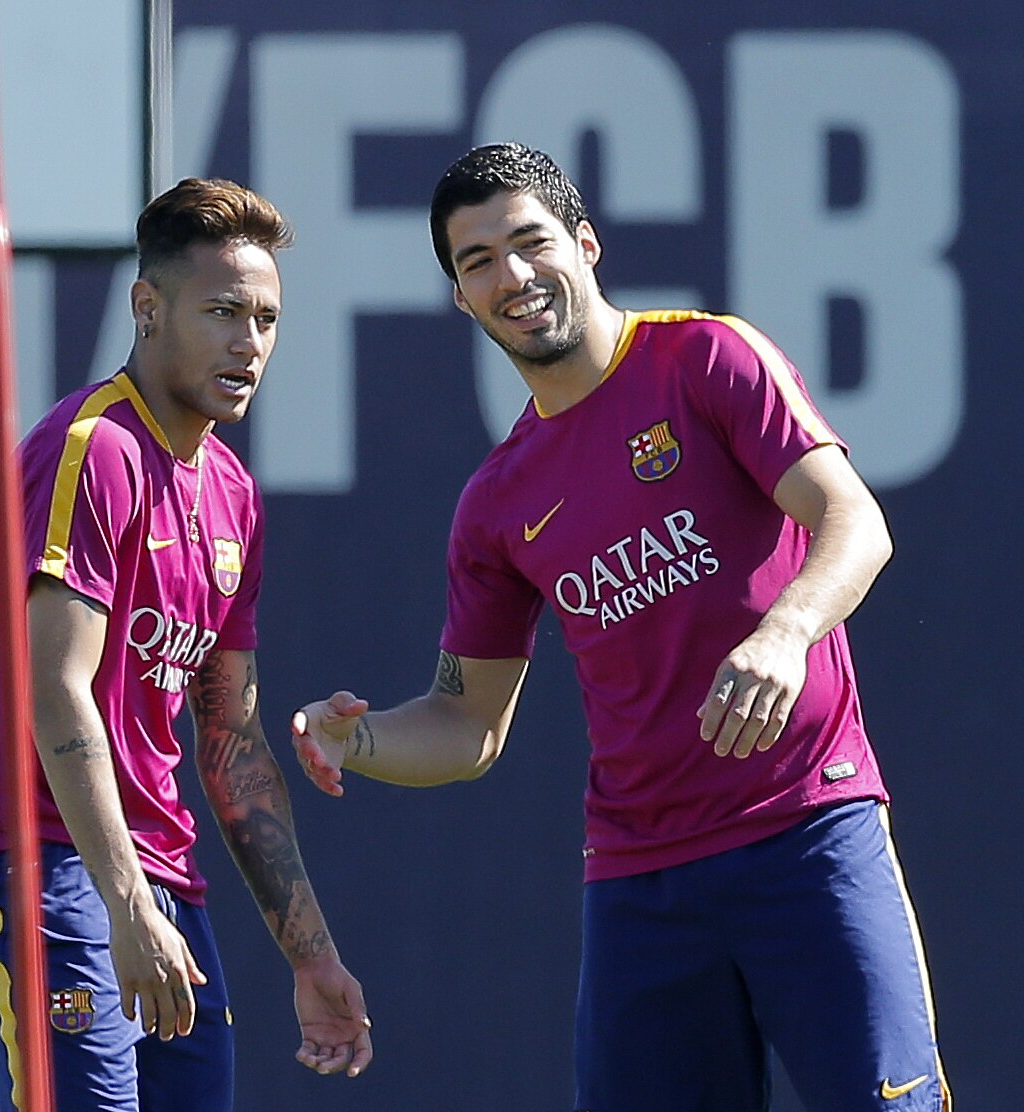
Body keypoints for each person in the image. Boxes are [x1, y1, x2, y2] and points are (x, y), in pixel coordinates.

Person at [289, 142, 949, 1111]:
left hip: (809, 831)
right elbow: (467, 724)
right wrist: (360, 738)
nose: (513, 275)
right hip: (643, 883)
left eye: (530, 242)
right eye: (479, 261)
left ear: (586, 243)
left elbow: (853, 521)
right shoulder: (496, 501)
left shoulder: (705, 358)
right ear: (461, 299)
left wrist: (783, 633)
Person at [0, 178, 373, 1112]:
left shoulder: (232, 492)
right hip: (52, 867)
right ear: (148, 308)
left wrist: (312, 958)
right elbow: (56, 689)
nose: (249, 342)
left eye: (266, 319)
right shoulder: (93, 449)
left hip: (163, 881)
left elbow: (231, 745)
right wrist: (124, 905)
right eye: (222, 311)